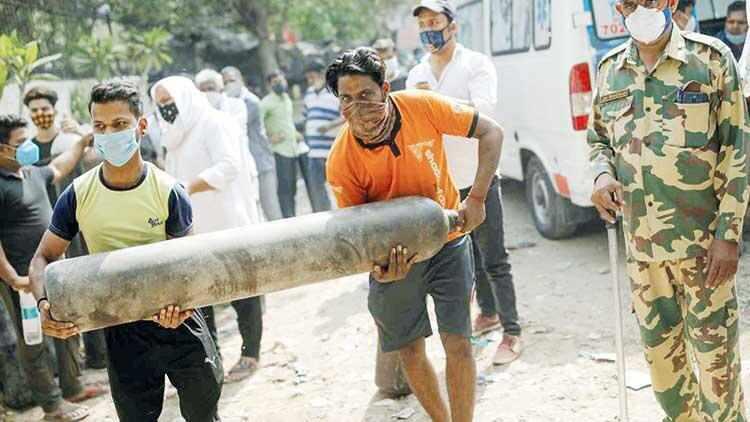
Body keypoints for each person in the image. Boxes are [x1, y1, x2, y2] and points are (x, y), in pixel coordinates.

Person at [325, 47, 504, 422]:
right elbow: (358, 235)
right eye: (345, 99)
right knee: (409, 350)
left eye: (365, 96)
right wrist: (379, 270)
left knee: (458, 342)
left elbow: (491, 132)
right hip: (396, 261)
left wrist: (477, 198)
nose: (356, 107)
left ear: (385, 89)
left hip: (449, 243)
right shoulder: (342, 161)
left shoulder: (422, 106)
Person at [589, 1, 748, 420]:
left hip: (704, 253)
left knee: (719, 378)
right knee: (666, 382)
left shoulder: (710, 59)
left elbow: (738, 151)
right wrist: (601, 175)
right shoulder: (609, 70)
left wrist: (728, 235)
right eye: (628, 1)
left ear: (671, 2)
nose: (639, 7)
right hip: (644, 259)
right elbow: (599, 141)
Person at [29, 80, 222, 422]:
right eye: (100, 127)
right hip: (122, 330)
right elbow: (43, 257)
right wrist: (45, 304)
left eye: (119, 124)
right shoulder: (78, 194)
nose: (109, 134)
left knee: (203, 415)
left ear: (141, 126)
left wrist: (185, 304)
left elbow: (192, 265)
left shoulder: (168, 191)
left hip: (180, 324)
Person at [407, 0, 522, 365]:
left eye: (435, 21)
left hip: (480, 177)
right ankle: (487, 313)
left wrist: (434, 102)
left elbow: (484, 112)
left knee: (495, 258)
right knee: (467, 255)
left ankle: (513, 331)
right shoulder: (415, 74)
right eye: (423, 23)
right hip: (442, 182)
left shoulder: (475, 64)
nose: (429, 28)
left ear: (452, 26)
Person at [151, 76, 265, 384]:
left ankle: (250, 353)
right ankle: (210, 358)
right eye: (161, 105)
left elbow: (229, 166)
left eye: (169, 102)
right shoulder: (172, 135)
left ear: (185, 97)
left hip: (226, 222)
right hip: (192, 228)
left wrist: (186, 187)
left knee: (243, 291)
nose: (166, 109)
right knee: (201, 296)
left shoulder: (214, 123)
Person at [0, 114, 102, 421]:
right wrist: (12, 278)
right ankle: (52, 406)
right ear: (2, 149)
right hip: (22, 279)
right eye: (20, 143)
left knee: (67, 326)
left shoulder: (33, 172)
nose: (28, 147)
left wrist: (83, 141)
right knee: (34, 341)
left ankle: (72, 387)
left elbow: (62, 165)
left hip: (54, 270)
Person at [24, 86, 109, 371]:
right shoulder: (29, 149)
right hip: (50, 231)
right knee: (62, 291)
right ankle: (75, 357)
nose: (40, 114)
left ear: (54, 110)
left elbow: (96, 161)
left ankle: (99, 354)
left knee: (89, 283)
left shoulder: (70, 142)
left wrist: (82, 133)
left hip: (78, 223)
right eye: (35, 110)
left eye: (45, 108)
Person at [195, 68, 263, 224]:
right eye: (203, 90)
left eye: (210, 88)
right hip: (217, 175)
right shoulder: (198, 115)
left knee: (250, 216)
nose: (207, 93)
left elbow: (231, 128)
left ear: (220, 88)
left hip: (242, 170)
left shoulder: (236, 105)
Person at [222, 66, 283, 221]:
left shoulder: (251, 102)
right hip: (244, 166)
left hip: (261, 163)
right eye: (225, 82)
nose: (229, 84)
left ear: (241, 80)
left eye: (232, 80)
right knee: (252, 211)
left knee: (271, 209)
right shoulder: (227, 102)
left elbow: (231, 125)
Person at [261, 71, 316, 218]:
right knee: (286, 190)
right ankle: (289, 221)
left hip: (295, 148)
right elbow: (257, 127)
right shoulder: (265, 103)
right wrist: (269, 138)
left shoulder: (286, 98)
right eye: (275, 82)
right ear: (269, 85)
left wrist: (295, 133)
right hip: (280, 151)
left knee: (297, 186)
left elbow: (287, 121)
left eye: (281, 80)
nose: (279, 83)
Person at [302, 60, 343, 212]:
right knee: (317, 189)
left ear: (321, 74)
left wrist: (329, 126)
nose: (310, 80)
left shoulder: (335, 91)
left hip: (331, 149)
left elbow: (346, 116)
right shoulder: (309, 93)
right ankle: (322, 218)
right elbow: (306, 116)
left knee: (338, 186)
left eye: (312, 76)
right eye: (308, 78)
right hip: (313, 151)